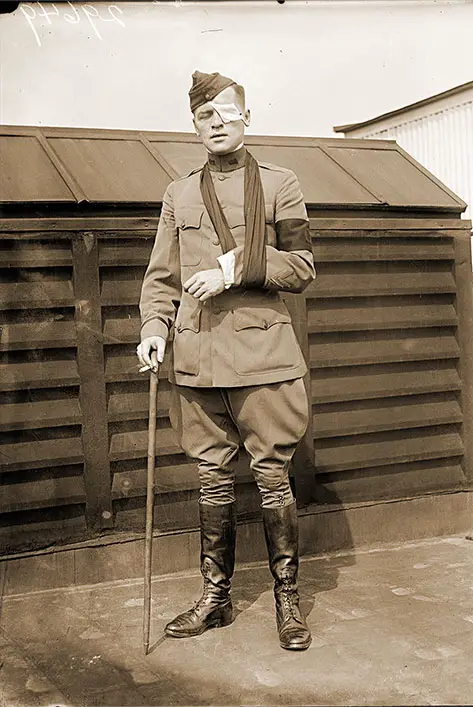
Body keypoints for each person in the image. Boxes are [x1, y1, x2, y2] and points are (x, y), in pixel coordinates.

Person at [137, 70, 316, 651]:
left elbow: (302, 266)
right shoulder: (178, 193)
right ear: (194, 124)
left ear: (246, 118)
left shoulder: (282, 183)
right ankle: (215, 599)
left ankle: (287, 599)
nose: (215, 123)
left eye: (225, 113)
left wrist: (234, 268)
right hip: (196, 356)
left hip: (263, 356)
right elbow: (161, 276)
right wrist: (153, 329)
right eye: (203, 116)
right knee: (211, 479)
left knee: (270, 478)